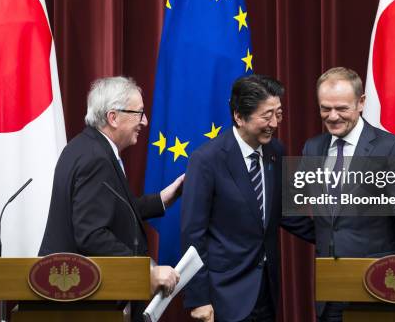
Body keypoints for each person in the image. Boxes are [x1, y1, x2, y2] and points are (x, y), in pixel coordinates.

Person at [39, 76, 184, 321]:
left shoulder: (85, 147)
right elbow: (92, 233)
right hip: (84, 302)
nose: (145, 121)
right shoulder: (96, 159)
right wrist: (146, 270)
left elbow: (110, 209)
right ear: (113, 117)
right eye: (139, 113)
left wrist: (162, 199)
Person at [181, 75, 315, 322]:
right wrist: (199, 299)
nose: (274, 123)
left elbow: (284, 213)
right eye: (266, 116)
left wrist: (336, 235)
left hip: (266, 290)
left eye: (279, 113)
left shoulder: (276, 151)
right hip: (224, 294)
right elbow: (193, 234)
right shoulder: (207, 160)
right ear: (239, 117)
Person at [302, 67, 395, 322]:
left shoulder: (390, 148)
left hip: (379, 289)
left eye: (341, 108)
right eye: (325, 108)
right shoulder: (312, 148)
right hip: (330, 291)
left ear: (361, 103)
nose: (333, 116)